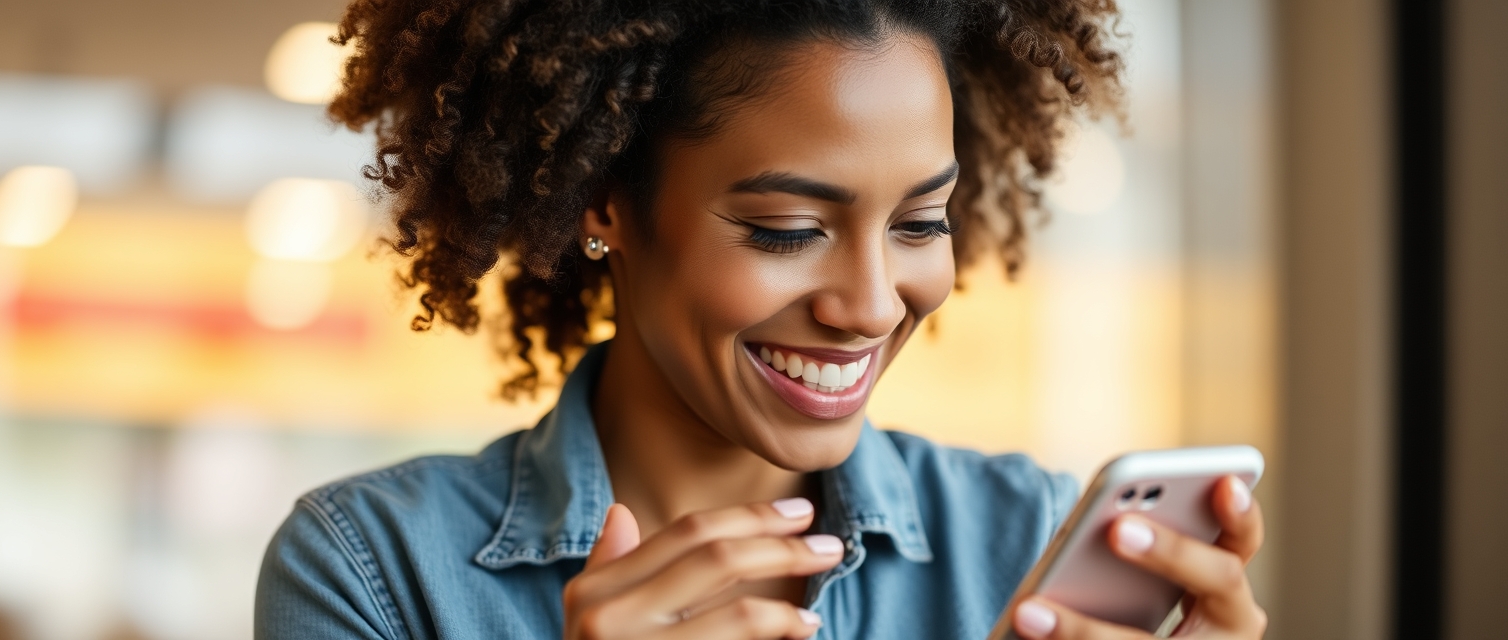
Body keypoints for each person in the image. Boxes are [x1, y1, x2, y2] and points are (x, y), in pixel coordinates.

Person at [254, 1, 1268, 639]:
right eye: (787, 229)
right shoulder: (375, 574)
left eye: (921, 221)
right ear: (606, 200)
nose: (872, 303)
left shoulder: (1027, 546)